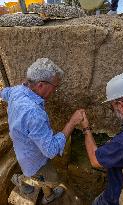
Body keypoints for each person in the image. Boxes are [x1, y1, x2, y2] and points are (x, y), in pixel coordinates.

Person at [0, 58, 85, 204]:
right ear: (40, 85)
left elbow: (4, 93)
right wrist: (72, 122)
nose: (55, 90)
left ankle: (33, 188)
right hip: (36, 159)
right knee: (51, 179)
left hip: (21, 150)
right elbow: (51, 150)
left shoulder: (17, 90)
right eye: (55, 87)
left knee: (31, 173)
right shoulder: (34, 114)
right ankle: (36, 189)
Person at [81, 72, 123, 205]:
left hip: (117, 198)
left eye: (112, 107)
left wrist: (86, 128)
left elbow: (95, 160)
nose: (113, 111)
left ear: (122, 106)